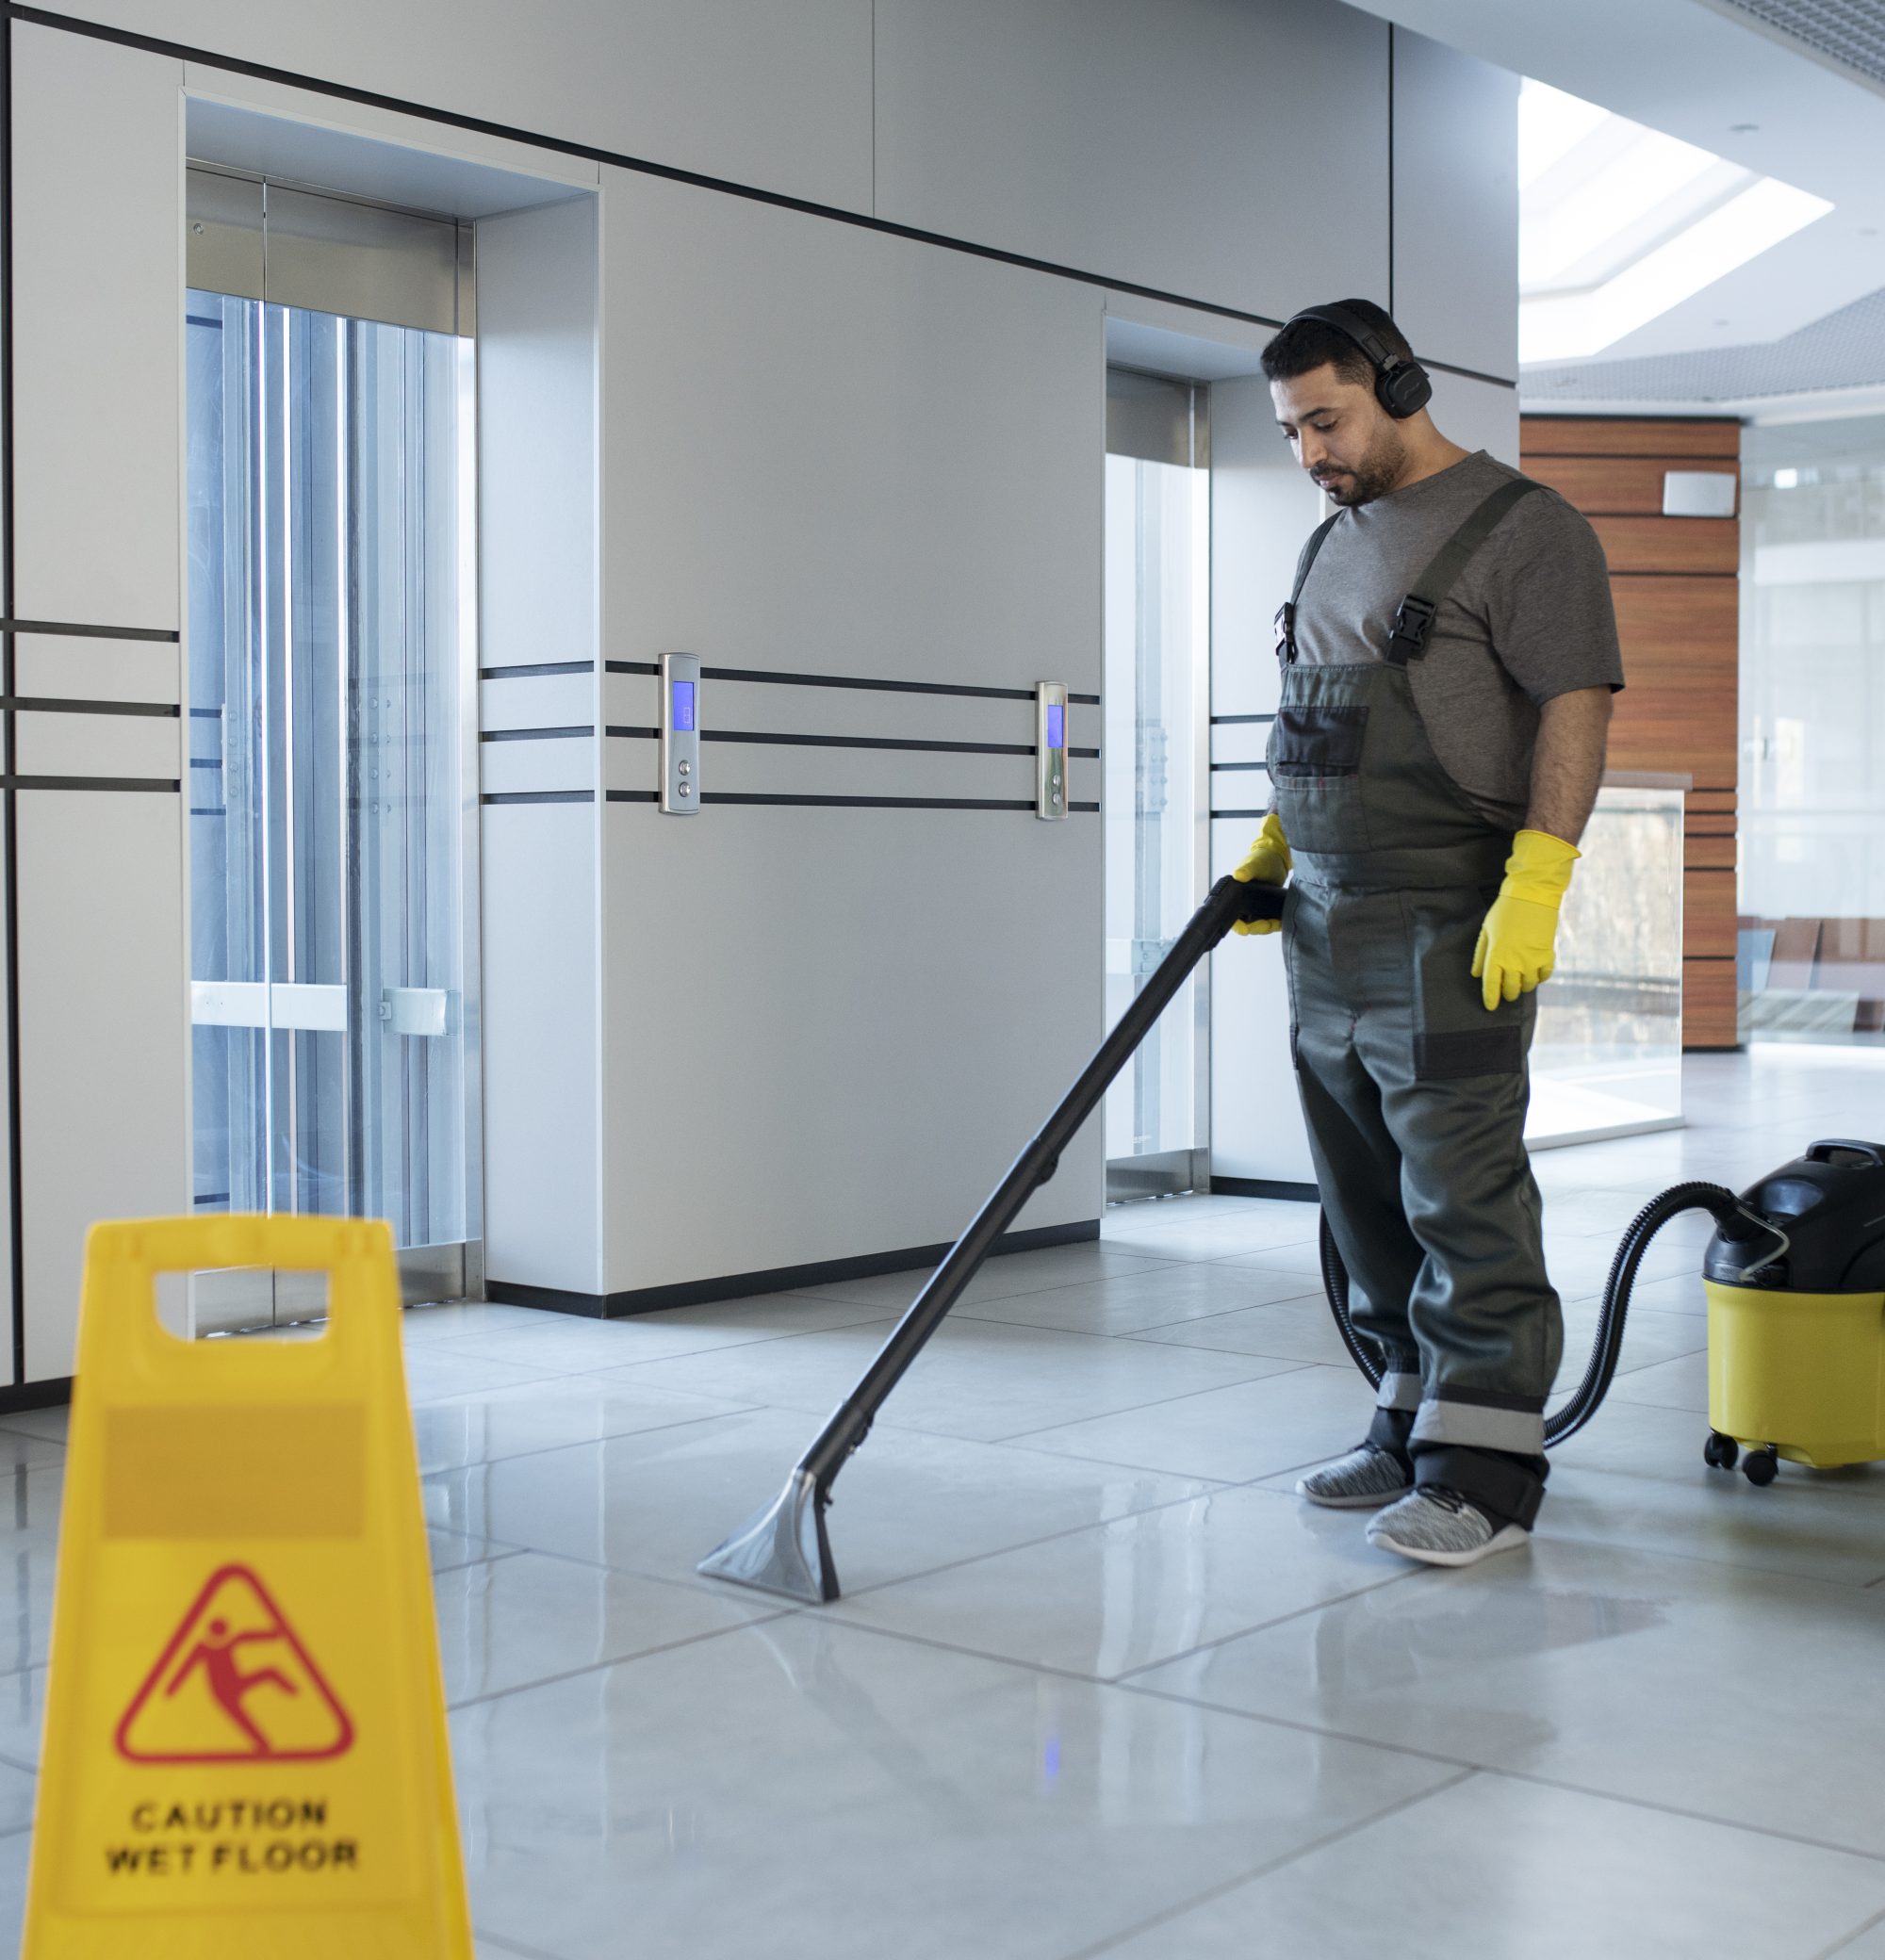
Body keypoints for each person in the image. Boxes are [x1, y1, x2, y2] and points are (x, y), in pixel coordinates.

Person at [1233, 299, 1622, 1568]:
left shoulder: (1527, 530)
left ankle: (1489, 1470)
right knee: (1361, 1197)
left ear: (1400, 384)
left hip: (1453, 913)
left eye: (1327, 422)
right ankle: (1408, 1419)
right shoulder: (1329, 544)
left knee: (1461, 1187)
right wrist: (1273, 848)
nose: (1310, 455)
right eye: (1292, 431)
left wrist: (1541, 878)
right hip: (1326, 921)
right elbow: (1314, 716)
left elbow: (1574, 707)